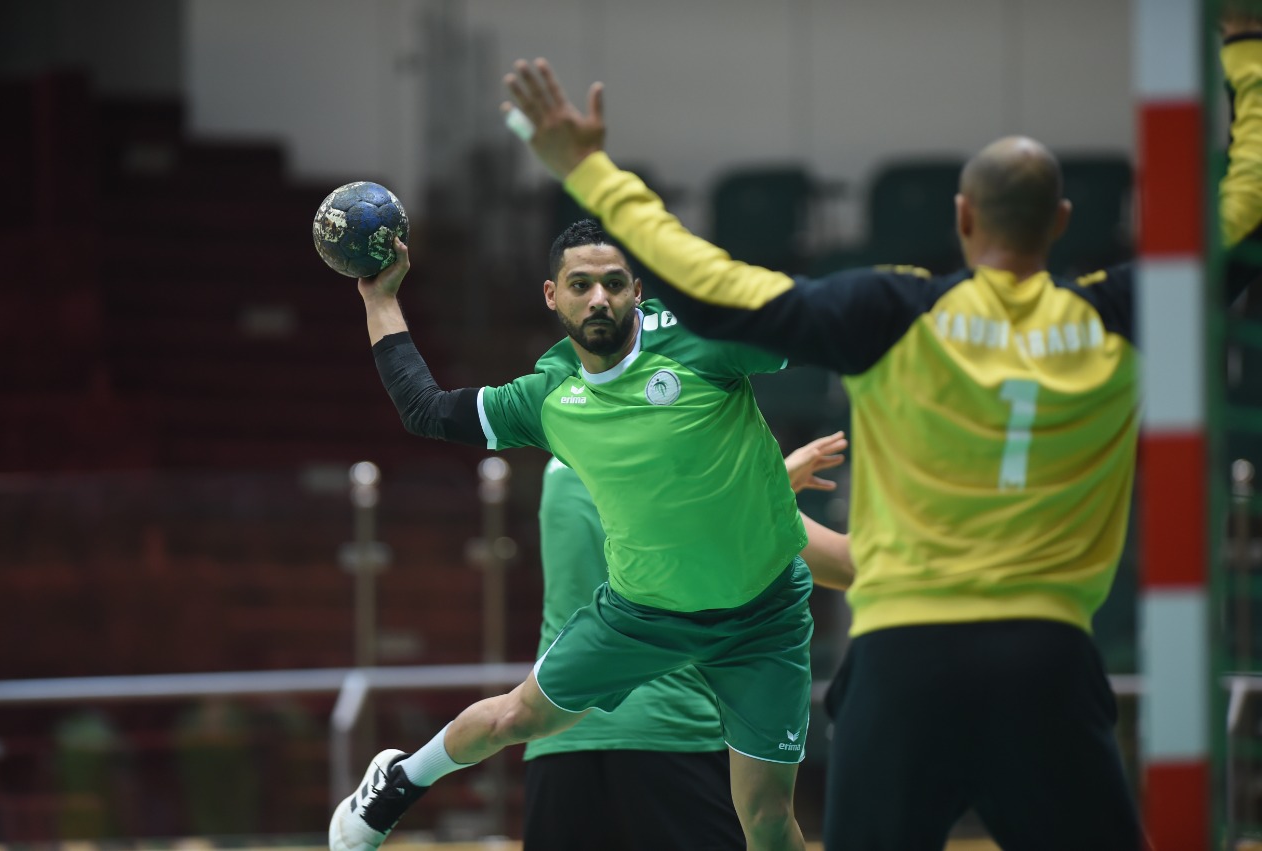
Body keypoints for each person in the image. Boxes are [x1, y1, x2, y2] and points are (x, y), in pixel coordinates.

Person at [497, 58, 1169, 850]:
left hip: (905, 657)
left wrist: (591, 172)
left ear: (961, 218)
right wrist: (1246, 48)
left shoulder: (891, 308)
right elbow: (1236, 238)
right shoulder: (1122, 311)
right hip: (1049, 652)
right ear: (1061, 219)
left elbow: (713, 286)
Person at [329, 219, 855, 851]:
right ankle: (399, 779)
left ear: (637, 289)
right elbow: (425, 409)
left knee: (767, 820)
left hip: (764, 618)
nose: (598, 298)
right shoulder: (548, 395)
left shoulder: (699, 341)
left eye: (613, 283)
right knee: (516, 717)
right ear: (553, 296)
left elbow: (812, 327)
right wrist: (381, 299)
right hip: (641, 617)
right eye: (581, 284)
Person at [525, 431, 848, 851]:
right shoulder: (702, 463)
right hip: (674, 739)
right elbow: (846, 566)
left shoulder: (564, 453)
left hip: (557, 744)